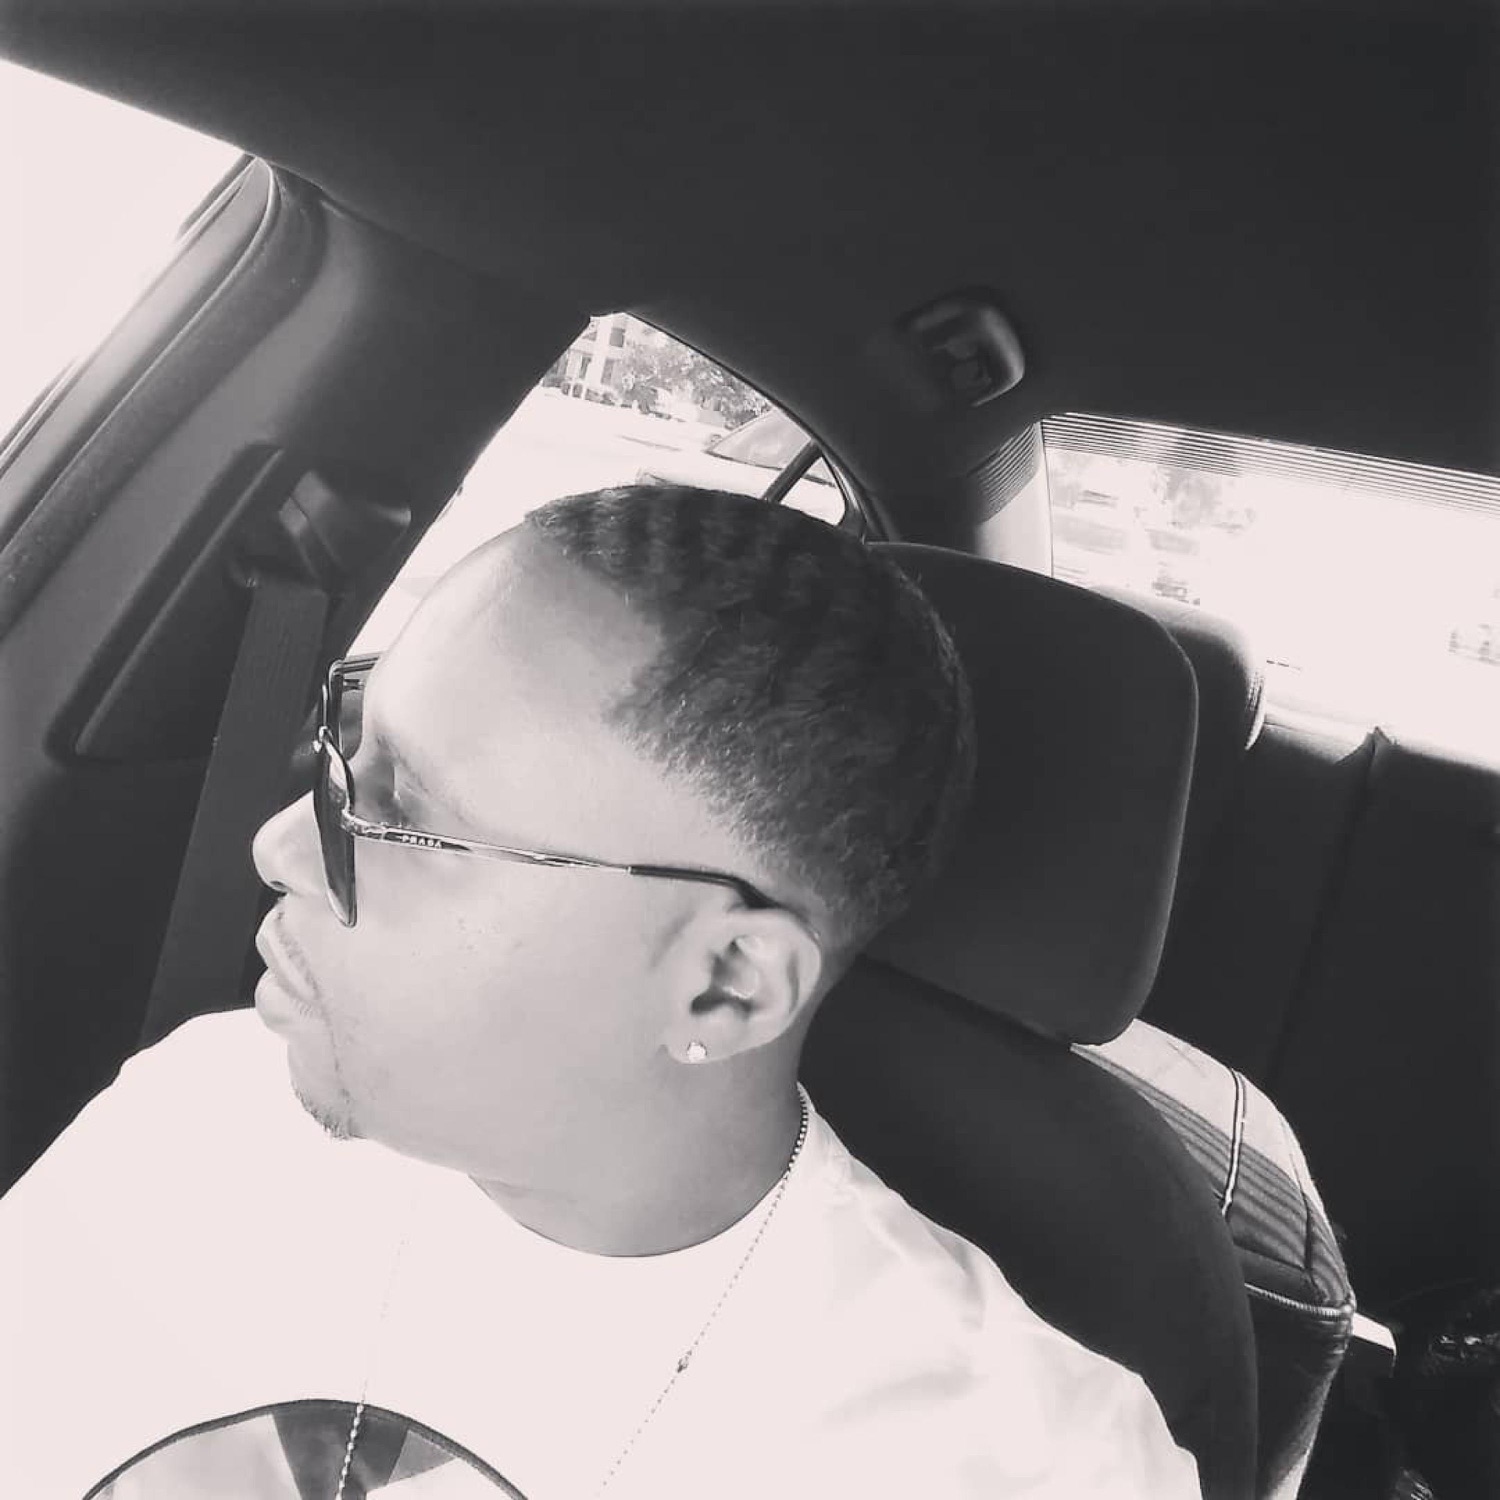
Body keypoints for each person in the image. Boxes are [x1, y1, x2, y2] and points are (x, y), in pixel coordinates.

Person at [0, 485, 1201, 1498]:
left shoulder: (1020, 1463)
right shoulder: (195, 1108)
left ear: (726, 987)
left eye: (403, 813)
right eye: (344, 749)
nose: (278, 847)